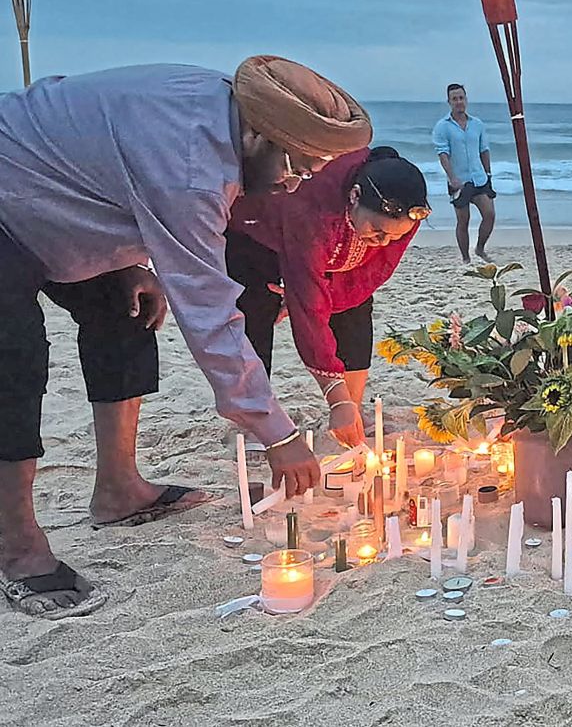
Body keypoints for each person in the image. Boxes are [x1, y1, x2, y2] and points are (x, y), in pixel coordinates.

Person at [0, 55, 371, 618]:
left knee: (125, 310)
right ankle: (19, 547)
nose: (301, 180)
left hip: (52, 198)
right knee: (14, 359)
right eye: (297, 163)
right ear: (254, 132)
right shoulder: (195, 165)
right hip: (10, 204)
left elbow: (106, 167)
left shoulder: (219, 105)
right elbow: (211, 314)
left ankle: (119, 490)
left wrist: (119, 257)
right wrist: (278, 434)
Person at [227, 146, 429, 449]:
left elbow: (369, 275)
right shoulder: (312, 212)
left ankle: (352, 411)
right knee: (256, 311)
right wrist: (297, 298)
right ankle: (254, 422)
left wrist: (344, 404)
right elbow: (309, 311)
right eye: (377, 230)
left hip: (325, 238)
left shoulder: (399, 216)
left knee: (357, 305)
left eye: (395, 236)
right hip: (256, 227)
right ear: (354, 196)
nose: (384, 241)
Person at [432, 84, 496, 263]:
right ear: (449, 102)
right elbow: (443, 154)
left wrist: (488, 173)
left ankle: (480, 249)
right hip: (459, 180)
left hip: (479, 178)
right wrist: (452, 177)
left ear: (466, 99)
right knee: (463, 220)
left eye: (461, 98)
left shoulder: (477, 124)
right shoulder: (442, 127)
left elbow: (484, 149)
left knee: (489, 214)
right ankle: (466, 258)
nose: (459, 102)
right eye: (455, 99)